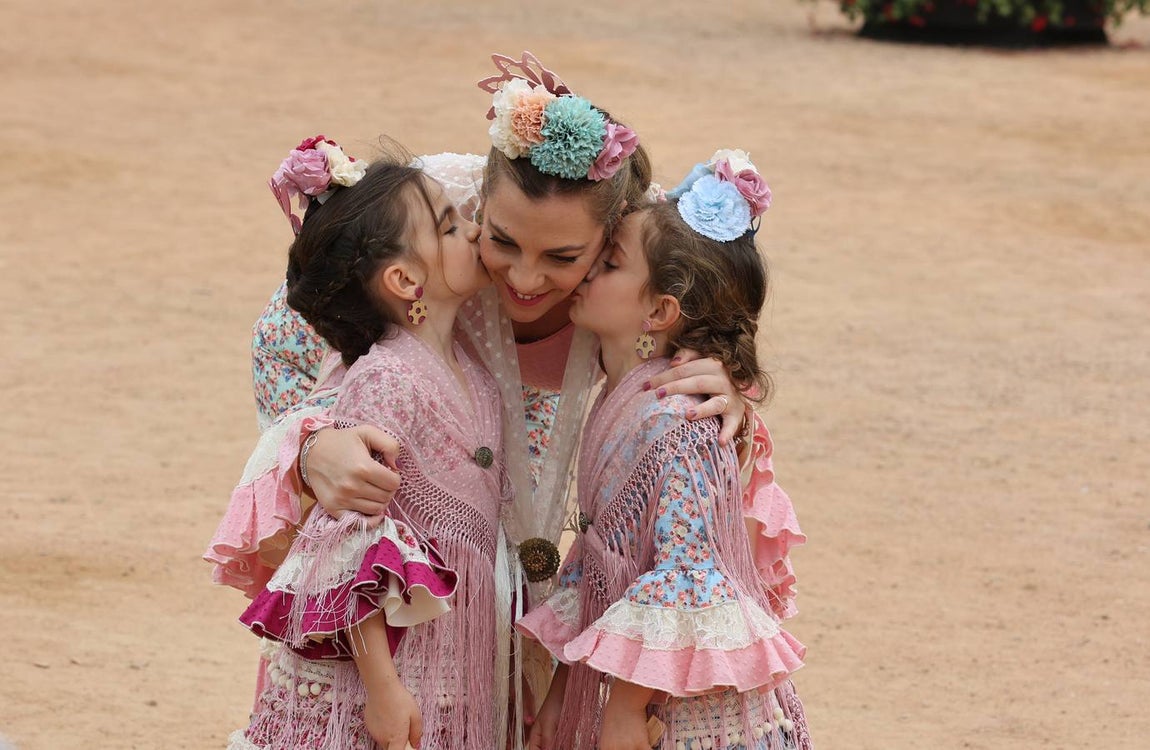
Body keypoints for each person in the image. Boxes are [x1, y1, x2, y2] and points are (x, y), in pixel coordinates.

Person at [206, 52, 755, 742]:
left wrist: (728, 380)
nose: (524, 278)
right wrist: (309, 445)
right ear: (476, 210)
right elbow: (287, 337)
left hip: (502, 579)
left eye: (564, 259)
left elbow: (705, 318)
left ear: (610, 244)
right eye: (501, 240)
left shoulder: (636, 269)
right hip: (404, 561)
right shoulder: (436, 223)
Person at [517, 151, 813, 750]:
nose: (587, 271)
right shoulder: (623, 392)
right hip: (653, 695)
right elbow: (605, 562)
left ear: (658, 310)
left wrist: (625, 712)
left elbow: (689, 578)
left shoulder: (679, 423)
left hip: (690, 721)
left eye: (611, 262)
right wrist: (562, 687)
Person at [227, 138, 504, 750]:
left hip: (443, 668)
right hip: (380, 684)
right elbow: (348, 544)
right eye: (451, 226)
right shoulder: (384, 380)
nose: (475, 231)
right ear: (406, 279)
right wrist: (382, 688)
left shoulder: (474, 368)